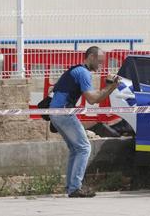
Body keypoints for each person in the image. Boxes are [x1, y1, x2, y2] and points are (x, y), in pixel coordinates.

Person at [49, 46, 120, 198]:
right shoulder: (83, 73)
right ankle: (75, 188)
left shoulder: (76, 70)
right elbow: (93, 99)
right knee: (84, 148)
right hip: (63, 112)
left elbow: (94, 97)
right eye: (99, 62)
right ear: (92, 57)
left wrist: (110, 87)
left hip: (56, 113)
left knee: (76, 149)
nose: (101, 65)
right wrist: (110, 87)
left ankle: (71, 187)